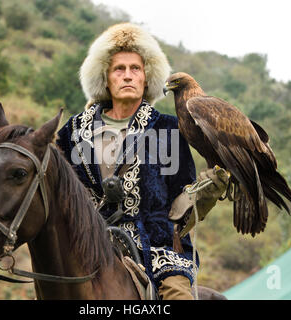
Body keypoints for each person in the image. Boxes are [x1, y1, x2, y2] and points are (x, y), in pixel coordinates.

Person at [56, 23, 228, 300]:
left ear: (147, 78)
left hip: (158, 249)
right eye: (118, 69)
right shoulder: (73, 132)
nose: (127, 76)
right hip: (85, 248)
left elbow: (180, 203)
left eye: (135, 69)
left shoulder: (168, 129)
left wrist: (204, 194)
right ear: (105, 78)